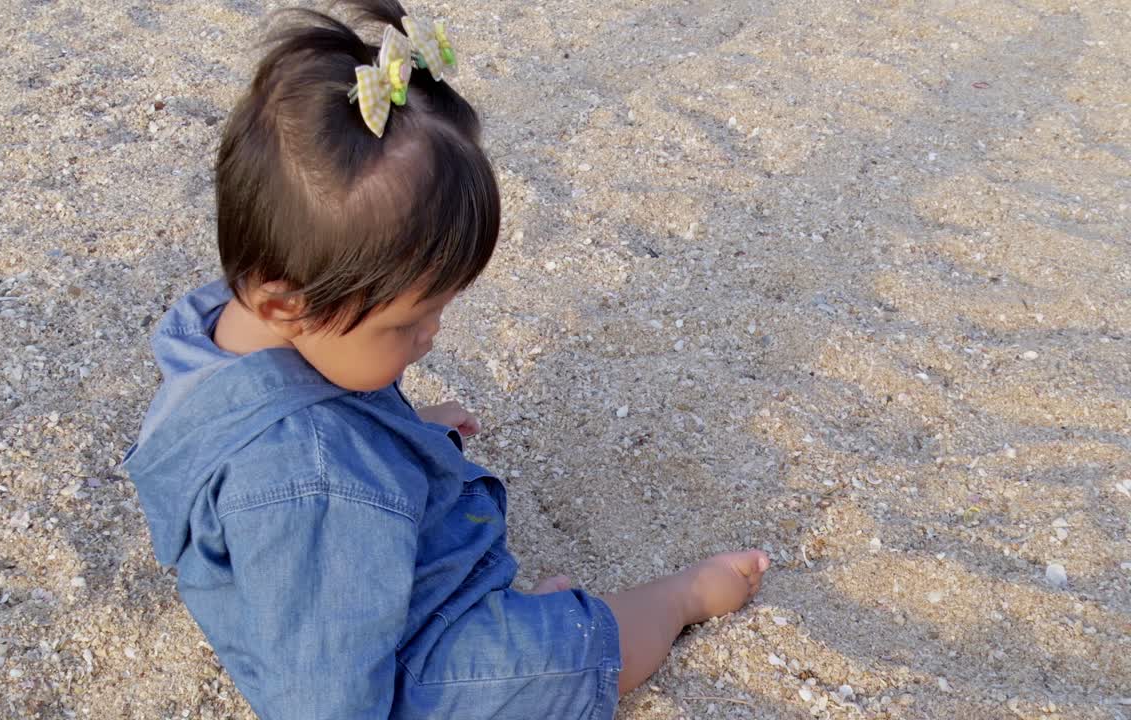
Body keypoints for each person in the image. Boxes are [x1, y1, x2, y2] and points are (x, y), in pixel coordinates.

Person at [124, 2, 769, 717]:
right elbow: (326, 698)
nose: (431, 334)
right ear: (286, 304)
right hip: (398, 657)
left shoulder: (229, 327)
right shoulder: (313, 483)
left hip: (323, 586)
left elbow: (286, 417)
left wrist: (386, 426)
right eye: (409, 322)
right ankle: (674, 601)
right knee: (565, 651)